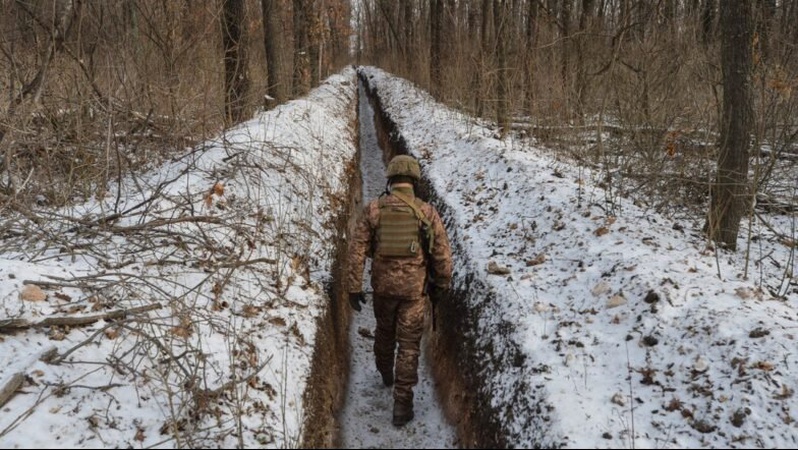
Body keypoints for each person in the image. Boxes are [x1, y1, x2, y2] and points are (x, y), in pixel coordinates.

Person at [347, 154, 453, 427]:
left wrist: (353, 287)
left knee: (384, 332)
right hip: (413, 293)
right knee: (408, 346)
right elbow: (442, 256)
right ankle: (402, 404)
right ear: (414, 181)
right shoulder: (426, 212)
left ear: (391, 179)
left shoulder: (374, 209)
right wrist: (441, 286)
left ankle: (385, 372)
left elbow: (357, 250)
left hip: (382, 289)